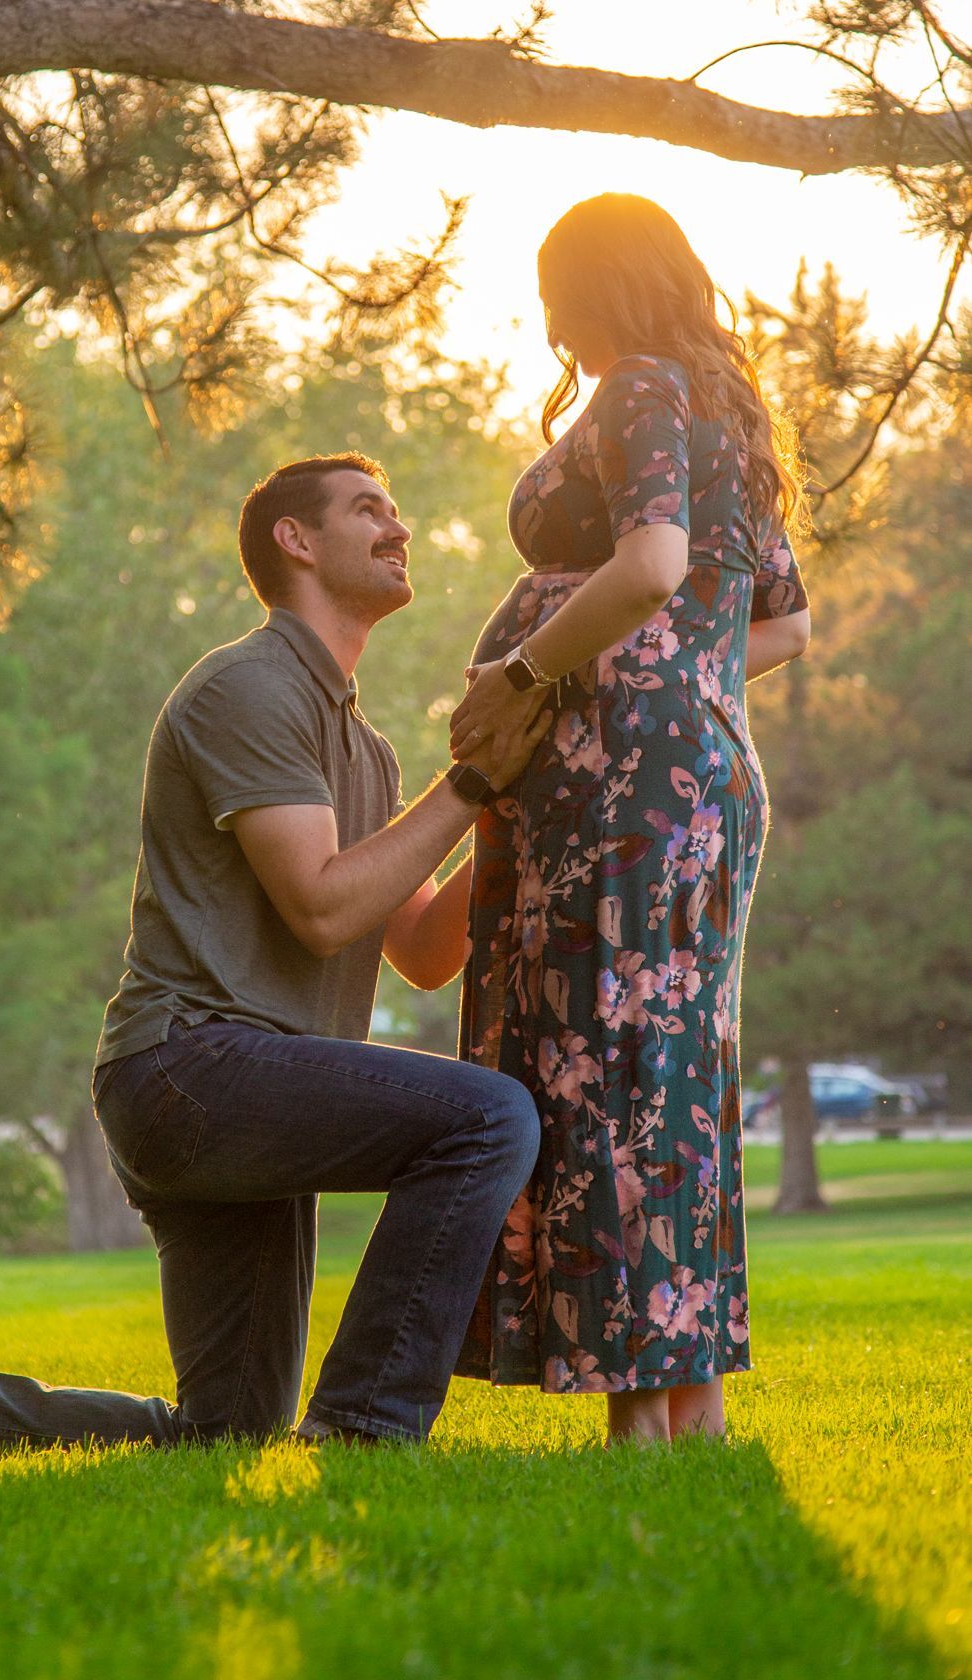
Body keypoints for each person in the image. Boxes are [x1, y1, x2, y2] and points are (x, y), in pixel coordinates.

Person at [0, 454, 548, 1456]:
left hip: (249, 1094)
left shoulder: (367, 753)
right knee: (489, 1117)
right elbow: (320, 908)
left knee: (226, 1429)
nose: (399, 528)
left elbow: (421, 949)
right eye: (370, 510)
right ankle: (365, 1424)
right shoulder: (247, 687)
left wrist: (516, 803)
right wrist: (472, 783)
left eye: (397, 510)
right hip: (191, 1069)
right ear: (296, 539)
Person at [448, 194, 811, 1444]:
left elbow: (653, 564)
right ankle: (683, 1416)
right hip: (695, 775)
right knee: (667, 1080)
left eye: (553, 288)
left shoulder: (644, 388)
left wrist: (539, 675)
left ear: (587, 286)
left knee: (601, 1073)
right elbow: (781, 623)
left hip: (622, 788)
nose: (546, 318)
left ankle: (641, 1429)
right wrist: (679, 673)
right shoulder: (727, 409)